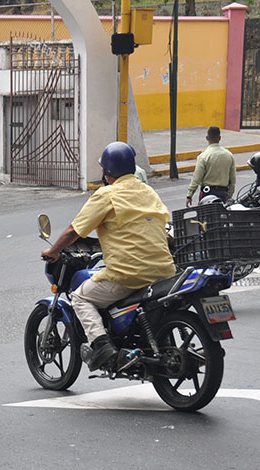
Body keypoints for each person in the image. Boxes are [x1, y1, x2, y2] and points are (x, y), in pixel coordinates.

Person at [40, 142, 175, 371]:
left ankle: (102, 346)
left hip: (129, 275)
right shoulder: (148, 192)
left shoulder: (107, 195)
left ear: (106, 171)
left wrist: (53, 251)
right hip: (164, 272)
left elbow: (75, 231)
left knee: (80, 297)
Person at [186, 126, 236, 207]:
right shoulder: (229, 155)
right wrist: (229, 195)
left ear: (207, 138)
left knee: (205, 217)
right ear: (220, 138)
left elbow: (196, 179)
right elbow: (233, 179)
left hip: (207, 194)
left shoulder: (203, 156)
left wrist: (189, 195)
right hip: (223, 193)